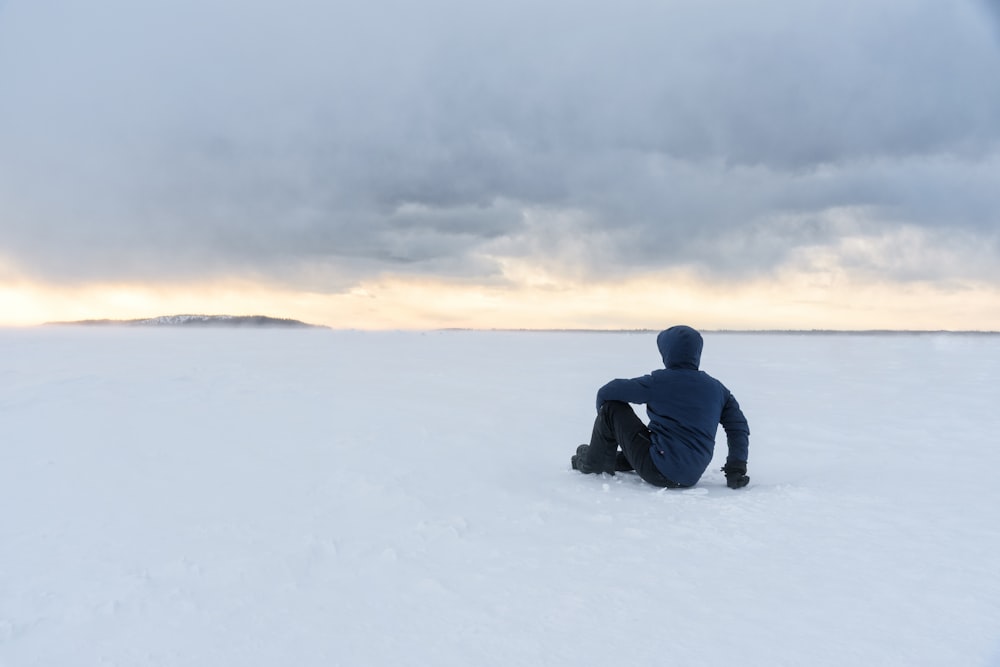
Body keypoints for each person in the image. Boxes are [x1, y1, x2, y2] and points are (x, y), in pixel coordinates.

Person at [571, 325, 751, 489]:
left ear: (667, 352)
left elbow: (607, 392)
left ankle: (593, 463)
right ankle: (608, 457)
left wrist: (605, 427)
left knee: (612, 408)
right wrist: (736, 468)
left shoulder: (659, 382)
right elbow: (738, 427)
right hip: (690, 475)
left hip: (657, 469)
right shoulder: (718, 389)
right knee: (653, 441)